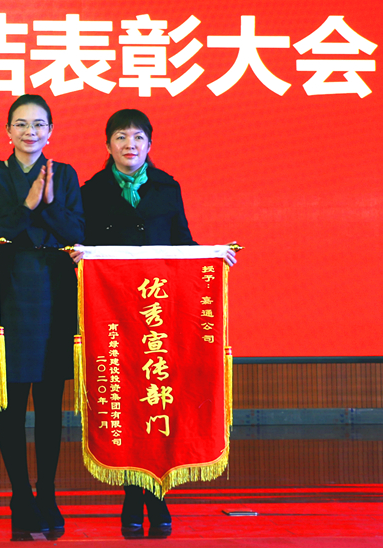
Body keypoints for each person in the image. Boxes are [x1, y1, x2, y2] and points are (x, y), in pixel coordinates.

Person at [74, 108, 237, 532]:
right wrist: (79, 255)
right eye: (121, 137)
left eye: (137, 137)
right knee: (127, 401)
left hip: (159, 315)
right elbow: (84, 243)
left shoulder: (167, 187)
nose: (129, 144)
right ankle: (132, 497)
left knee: (159, 399)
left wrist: (214, 255)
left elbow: (182, 242)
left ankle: (158, 497)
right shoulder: (91, 191)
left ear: (149, 144)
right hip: (115, 315)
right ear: (107, 144)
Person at [0, 95, 84, 532]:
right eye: (20, 124)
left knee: (51, 405)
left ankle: (48, 494)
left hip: (55, 293)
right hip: (12, 292)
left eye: (38, 124)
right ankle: (20, 495)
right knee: (13, 404)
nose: (29, 132)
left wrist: (49, 202)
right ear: (8, 131)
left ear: (50, 131)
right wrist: (27, 207)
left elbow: (77, 232)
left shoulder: (66, 174)